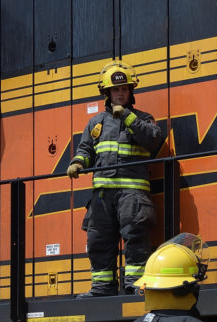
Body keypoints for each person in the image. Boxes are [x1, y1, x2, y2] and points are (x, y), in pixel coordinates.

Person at [67, 60, 166, 297]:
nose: (120, 93)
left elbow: (153, 140)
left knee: (135, 238)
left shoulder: (144, 118)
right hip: (102, 196)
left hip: (133, 195)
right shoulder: (96, 122)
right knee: (98, 240)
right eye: (115, 90)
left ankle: (135, 285)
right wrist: (78, 162)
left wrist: (128, 118)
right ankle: (102, 288)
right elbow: (86, 149)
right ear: (107, 93)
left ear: (130, 91)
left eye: (124, 89)